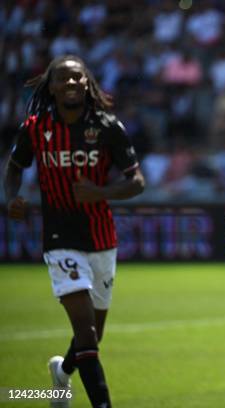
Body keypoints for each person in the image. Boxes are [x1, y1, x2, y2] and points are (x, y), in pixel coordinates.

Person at [4, 55, 145, 408]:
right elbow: (14, 167)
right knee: (85, 333)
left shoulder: (108, 126)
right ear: (51, 85)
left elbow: (136, 182)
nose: (70, 83)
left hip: (101, 239)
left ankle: (61, 374)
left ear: (87, 84)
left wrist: (102, 192)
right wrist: (13, 197)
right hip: (59, 238)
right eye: (63, 79)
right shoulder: (35, 127)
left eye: (77, 78)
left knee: (91, 337)